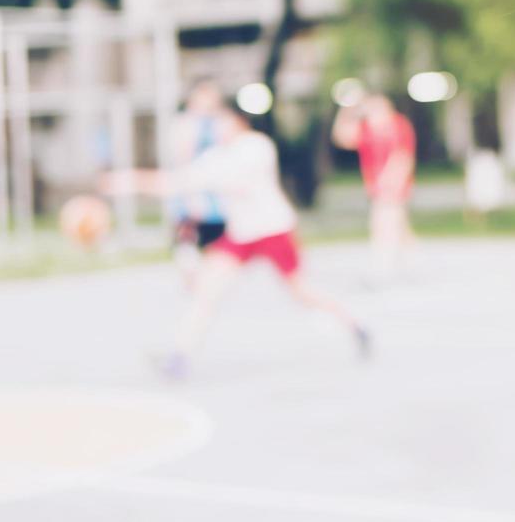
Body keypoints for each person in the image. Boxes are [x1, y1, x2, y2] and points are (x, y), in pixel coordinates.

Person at [105, 101, 370, 379]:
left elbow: (217, 178)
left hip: (272, 229)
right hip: (242, 234)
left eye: (222, 121)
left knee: (301, 292)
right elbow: (177, 182)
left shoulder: (256, 147)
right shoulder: (216, 157)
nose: (218, 128)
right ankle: (180, 355)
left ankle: (356, 325)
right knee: (208, 291)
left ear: (238, 121)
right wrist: (131, 181)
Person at [332, 93, 418, 284]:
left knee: (383, 221)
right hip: (375, 184)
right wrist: (346, 111)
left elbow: (403, 155)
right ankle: (411, 260)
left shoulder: (398, 124)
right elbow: (342, 138)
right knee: (397, 223)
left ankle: (384, 264)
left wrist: (391, 181)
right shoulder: (367, 129)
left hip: (392, 184)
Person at [171, 79, 227, 280]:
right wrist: (190, 195)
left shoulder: (220, 121)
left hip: (217, 192)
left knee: (217, 245)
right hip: (194, 190)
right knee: (189, 239)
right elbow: (182, 160)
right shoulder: (187, 124)